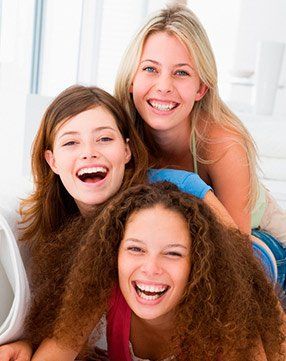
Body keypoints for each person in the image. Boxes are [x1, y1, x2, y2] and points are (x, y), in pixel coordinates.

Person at [0, 84, 238, 360]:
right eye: (70, 142)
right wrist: (28, 342)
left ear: (127, 151)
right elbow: (64, 324)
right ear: (51, 160)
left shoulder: (173, 191)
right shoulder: (61, 227)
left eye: (104, 139)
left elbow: (243, 269)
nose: (89, 152)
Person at [114, 4, 286, 288]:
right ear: (132, 78)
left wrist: (188, 183)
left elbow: (237, 251)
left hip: (254, 226)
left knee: (245, 263)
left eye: (181, 73)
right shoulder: (118, 132)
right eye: (150, 69)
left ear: (201, 88)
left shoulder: (222, 141)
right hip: (185, 233)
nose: (164, 86)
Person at [25, 182, 286, 361]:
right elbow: (57, 349)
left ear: (196, 262)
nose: (150, 269)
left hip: (266, 255)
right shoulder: (105, 289)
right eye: (136, 249)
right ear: (112, 255)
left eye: (173, 253)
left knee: (258, 264)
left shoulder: (230, 318)